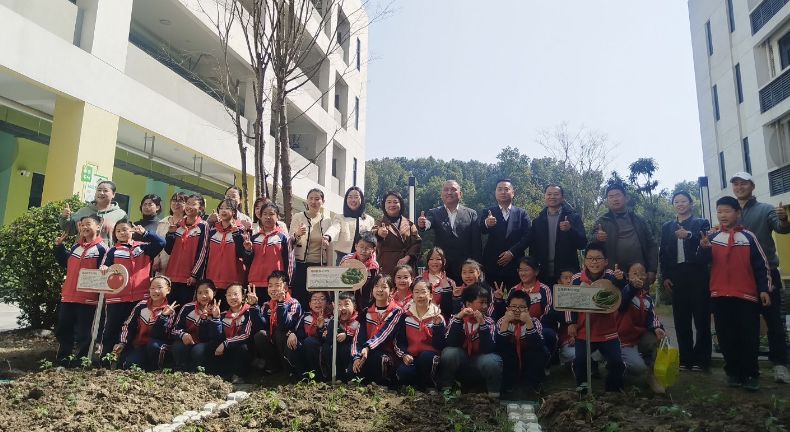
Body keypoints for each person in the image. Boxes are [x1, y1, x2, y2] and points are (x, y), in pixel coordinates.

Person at [697, 196, 772, 391]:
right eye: (719, 211)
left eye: (727, 211)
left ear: (738, 213)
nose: (722, 215)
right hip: (720, 295)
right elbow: (701, 262)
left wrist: (764, 289)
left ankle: (751, 374)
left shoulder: (748, 237)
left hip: (746, 295)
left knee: (749, 336)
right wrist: (704, 249)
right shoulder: (711, 238)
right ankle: (733, 373)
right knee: (725, 336)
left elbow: (761, 265)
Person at [730, 172, 790, 383]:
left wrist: (783, 219)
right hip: (740, 276)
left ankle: (780, 365)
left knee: (774, 320)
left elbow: (781, 228)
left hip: (767, 273)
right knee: (746, 323)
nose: (739, 187)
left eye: (743, 183)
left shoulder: (765, 209)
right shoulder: (731, 213)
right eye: (736, 184)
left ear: (752, 186)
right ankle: (749, 365)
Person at [99, 218, 165, 367]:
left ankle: (124, 363)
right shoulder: (113, 250)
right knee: (111, 330)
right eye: (118, 231)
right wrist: (104, 268)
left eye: (125, 229)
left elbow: (161, 243)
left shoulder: (143, 247)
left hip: (139, 297)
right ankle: (105, 362)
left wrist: (146, 233)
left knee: (132, 331)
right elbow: (104, 266)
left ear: (132, 230)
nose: (122, 233)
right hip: (116, 298)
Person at [659, 190, 711, 372]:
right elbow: (663, 253)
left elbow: (706, 243)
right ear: (673, 205)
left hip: (697, 273)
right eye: (676, 201)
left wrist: (688, 235)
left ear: (690, 203)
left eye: (683, 201)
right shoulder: (667, 227)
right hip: (676, 275)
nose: (680, 204)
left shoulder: (701, 223)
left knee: (701, 318)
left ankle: (702, 359)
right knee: (681, 319)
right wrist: (665, 276)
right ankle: (685, 358)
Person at [566, 242, 625, 393]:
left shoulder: (612, 276)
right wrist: (571, 322)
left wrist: (621, 279)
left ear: (606, 261)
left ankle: (612, 393)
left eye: (598, 258)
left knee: (617, 363)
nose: (594, 262)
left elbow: (621, 288)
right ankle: (583, 392)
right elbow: (569, 302)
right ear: (585, 260)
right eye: (590, 258)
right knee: (580, 361)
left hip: (609, 332)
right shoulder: (577, 279)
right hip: (584, 332)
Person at [53, 214, 108, 367]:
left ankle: (82, 361)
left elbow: (105, 274)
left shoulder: (102, 249)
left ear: (98, 227)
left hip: (89, 298)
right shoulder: (76, 246)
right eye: (82, 224)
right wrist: (59, 247)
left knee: (85, 332)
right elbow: (66, 263)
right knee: (64, 329)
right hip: (69, 295)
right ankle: (63, 359)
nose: (84, 227)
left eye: (88, 224)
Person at [440, 284, 503, 397]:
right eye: (481, 302)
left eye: (486, 303)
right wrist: (459, 319)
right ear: (468, 304)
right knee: (449, 353)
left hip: (479, 359)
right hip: (461, 358)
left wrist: (482, 324)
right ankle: (446, 389)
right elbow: (451, 342)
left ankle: (493, 394)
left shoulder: (489, 322)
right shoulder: (456, 318)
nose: (485, 306)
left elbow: (489, 348)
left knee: (492, 361)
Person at [615, 261, 666, 394]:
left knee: (660, 337)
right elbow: (623, 301)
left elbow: (652, 316)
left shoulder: (647, 297)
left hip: (638, 338)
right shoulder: (622, 292)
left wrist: (656, 327)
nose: (639, 277)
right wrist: (631, 286)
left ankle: (652, 375)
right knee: (638, 368)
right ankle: (616, 368)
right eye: (635, 273)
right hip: (622, 341)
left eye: (642, 274)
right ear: (627, 276)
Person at [592, 184, 659, 285]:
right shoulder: (602, 221)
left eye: (618, 195)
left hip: (639, 272)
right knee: (614, 295)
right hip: (613, 273)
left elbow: (651, 244)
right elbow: (591, 245)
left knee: (640, 295)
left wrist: (652, 269)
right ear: (607, 200)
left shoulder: (638, 219)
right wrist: (597, 238)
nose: (615, 199)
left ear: (625, 197)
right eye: (611, 197)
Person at [417, 180, 482, 283]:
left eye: (453, 189)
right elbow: (428, 222)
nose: (449, 192)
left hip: (464, 269)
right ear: (441, 194)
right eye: (446, 189)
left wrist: (477, 265)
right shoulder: (434, 213)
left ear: (460, 193)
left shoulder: (471, 214)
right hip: (441, 268)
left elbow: (476, 242)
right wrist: (423, 224)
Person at [350, 274, 403, 386]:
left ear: (392, 291)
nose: (380, 290)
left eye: (384, 287)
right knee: (352, 369)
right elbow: (358, 336)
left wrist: (368, 347)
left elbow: (384, 333)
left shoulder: (396, 311)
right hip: (366, 351)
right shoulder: (366, 311)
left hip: (388, 354)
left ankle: (384, 383)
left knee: (378, 358)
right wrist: (357, 356)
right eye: (376, 286)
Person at [479, 179, 532, 288]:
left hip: (515, 264)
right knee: (490, 295)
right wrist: (487, 223)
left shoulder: (521, 213)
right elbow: (482, 230)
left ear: (513, 193)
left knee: (515, 295)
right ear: (495, 193)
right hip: (492, 264)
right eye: (499, 189)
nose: (503, 192)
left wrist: (511, 253)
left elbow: (528, 237)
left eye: (506, 189)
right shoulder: (488, 212)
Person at [394, 280, 446, 391]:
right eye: (416, 292)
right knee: (403, 372)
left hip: (431, 357)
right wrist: (404, 355)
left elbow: (440, 345)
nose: (420, 296)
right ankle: (415, 386)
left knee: (426, 357)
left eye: (423, 292)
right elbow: (399, 340)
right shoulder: (405, 316)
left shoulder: (438, 317)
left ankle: (430, 385)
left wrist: (437, 326)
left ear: (431, 295)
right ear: (412, 295)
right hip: (411, 356)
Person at [112, 275, 172, 370]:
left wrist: (163, 317)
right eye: (152, 288)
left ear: (168, 290)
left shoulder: (170, 310)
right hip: (140, 345)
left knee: (153, 345)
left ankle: (156, 369)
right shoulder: (141, 305)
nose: (155, 291)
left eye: (159, 288)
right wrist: (122, 342)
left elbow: (161, 335)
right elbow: (128, 325)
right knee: (130, 365)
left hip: (158, 347)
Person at [530, 184, 587, 284]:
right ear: (545, 196)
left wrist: (570, 229)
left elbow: (582, 243)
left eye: (556, 194)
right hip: (542, 272)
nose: (552, 197)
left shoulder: (573, 217)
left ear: (562, 197)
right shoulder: (537, 221)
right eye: (549, 194)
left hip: (567, 274)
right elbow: (533, 249)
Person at [250, 271, 302, 375]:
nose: (273, 289)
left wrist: (281, 304)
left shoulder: (293, 303)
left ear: (285, 288)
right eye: (270, 286)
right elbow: (260, 325)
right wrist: (254, 306)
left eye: (277, 285)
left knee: (280, 332)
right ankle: (273, 366)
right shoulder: (267, 305)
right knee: (260, 335)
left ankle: (288, 368)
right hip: (273, 339)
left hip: (291, 338)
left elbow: (285, 325)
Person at [506, 257, 557, 363]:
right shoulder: (514, 290)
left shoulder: (544, 289)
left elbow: (548, 312)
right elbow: (507, 311)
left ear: (536, 271)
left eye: (526, 270)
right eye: (520, 270)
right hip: (516, 327)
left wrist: (533, 325)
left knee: (548, 334)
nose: (523, 273)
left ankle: (546, 362)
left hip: (539, 327)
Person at [496, 290, 548, 394]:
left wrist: (528, 322)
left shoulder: (534, 321)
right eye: (513, 306)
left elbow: (538, 345)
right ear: (508, 308)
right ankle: (509, 382)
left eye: (522, 307)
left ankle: (536, 382)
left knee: (541, 351)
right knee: (504, 353)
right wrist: (506, 322)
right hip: (511, 354)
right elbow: (499, 345)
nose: (517, 310)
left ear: (528, 309)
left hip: (528, 353)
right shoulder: (502, 321)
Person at [243, 201, 293, 306]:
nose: (268, 217)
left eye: (271, 214)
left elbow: (290, 263)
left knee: (274, 311)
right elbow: (247, 263)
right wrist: (248, 250)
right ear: (260, 217)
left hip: (275, 285)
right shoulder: (254, 238)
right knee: (256, 311)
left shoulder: (283, 238)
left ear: (278, 217)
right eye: (265, 214)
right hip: (255, 283)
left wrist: (287, 284)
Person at [164, 193, 209, 306]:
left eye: (193, 204)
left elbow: (202, 252)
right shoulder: (178, 225)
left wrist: (194, 275)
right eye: (188, 203)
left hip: (189, 277)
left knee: (186, 307)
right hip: (172, 275)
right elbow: (169, 250)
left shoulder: (203, 226)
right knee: (170, 307)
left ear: (201, 208)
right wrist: (170, 234)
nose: (189, 207)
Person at [290, 188, 330, 308]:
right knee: (300, 295)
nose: (313, 202)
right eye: (311, 198)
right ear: (306, 200)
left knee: (317, 297)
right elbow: (289, 240)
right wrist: (297, 234)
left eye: (317, 199)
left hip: (319, 265)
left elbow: (330, 245)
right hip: (301, 264)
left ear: (323, 201)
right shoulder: (298, 216)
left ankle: (317, 319)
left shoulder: (327, 220)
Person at [207, 283, 253, 383]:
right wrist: (216, 318)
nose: (232, 297)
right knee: (213, 344)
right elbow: (216, 336)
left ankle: (239, 375)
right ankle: (221, 374)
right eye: (229, 295)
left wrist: (226, 343)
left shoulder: (249, 312)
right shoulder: (223, 315)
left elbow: (246, 334)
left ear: (243, 296)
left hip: (245, 348)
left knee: (242, 348)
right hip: (228, 347)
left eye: (235, 294)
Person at [205, 199, 246, 308]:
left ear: (234, 211)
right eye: (221, 208)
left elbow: (242, 254)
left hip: (233, 280)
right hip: (212, 279)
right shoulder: (212, 230)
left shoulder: (240, 230)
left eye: (227, 208)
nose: (223, 211)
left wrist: (236, 234)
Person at [59, 180, 128, 244]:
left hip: (107, 253)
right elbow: (70, 230)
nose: (101, 193)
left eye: (105, 191)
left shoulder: (120, 215)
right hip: (82, 251)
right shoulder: (83, 211)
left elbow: (125, 237)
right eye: (99, 190)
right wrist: (65, 217)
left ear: (113, 194)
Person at [170, 279, 216, 372]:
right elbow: (174, 329)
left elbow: (215, 335)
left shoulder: (217, 310)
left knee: (199, 350)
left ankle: (199, 371)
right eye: (199, 293)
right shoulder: (187, 307)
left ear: (214, 292)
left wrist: (205, 320)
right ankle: (181, 369)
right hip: (188, 341)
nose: (203, 296)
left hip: (205, 343)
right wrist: (182, 334)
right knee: (177, 346)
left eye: (206, 292)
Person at [373, 191, 422, 276]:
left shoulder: (409, 224)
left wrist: (408, 257)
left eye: (395, 202)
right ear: (384, 205)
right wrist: (379, 232)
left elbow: (417, 242)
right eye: (389, 202)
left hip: (406, 265)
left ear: (401, 204)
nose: (392, 205)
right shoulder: (379, 222)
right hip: (386, 264)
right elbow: (371, 236)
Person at [285, 291, 331, 381]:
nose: (318, 302)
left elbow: (327, 339)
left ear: (328, 303)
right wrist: (292, 334)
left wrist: (320, 328)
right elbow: (298, 331)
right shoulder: (306, 316)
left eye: (322, 299)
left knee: (310, 342)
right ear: (310, 304)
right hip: (306, 345)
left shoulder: (330, 318)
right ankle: (302, 377)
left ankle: (318, 377)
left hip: (320, 348)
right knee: (292, 344)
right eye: (314, 299)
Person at [325, 187, 376, 265]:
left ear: (361, 199)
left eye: (356, 197)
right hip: (343, 256)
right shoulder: (339, 217)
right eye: (350, 197)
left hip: (363, 257)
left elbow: (372, 240)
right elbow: (335, 228)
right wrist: (328, 236)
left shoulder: (369, 219)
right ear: (346, 200)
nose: (353, 200)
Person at [321, 291, 359, 382]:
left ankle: (350, 378)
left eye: (346, 304)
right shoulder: (334, 319)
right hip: (337, 352)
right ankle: (337, 376)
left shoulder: (358, 320)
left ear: (354, 307)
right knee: (327, 347)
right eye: (339, 305)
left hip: (352, 352)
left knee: (345, 349)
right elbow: (327, 337)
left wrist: (347, 335)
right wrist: (335, 318)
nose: (342, 308)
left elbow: (359, 335)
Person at [339, 231, 380, 307]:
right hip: (347, 298)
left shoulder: (374, 266)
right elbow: (339, 280)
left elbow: (373, 286)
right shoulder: (346, 260)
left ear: (373, 250)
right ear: (355, 246)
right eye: (361, 246)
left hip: (365, 299)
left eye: (367, 248)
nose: (363, 251)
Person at [153, 192, 187, 276]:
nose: (176, 203)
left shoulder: (188, 223)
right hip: (162, 267)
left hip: (179, 268)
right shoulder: (162, 222)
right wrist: (156, 258)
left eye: (180, 201)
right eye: (174, 200)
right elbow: (155, 242)